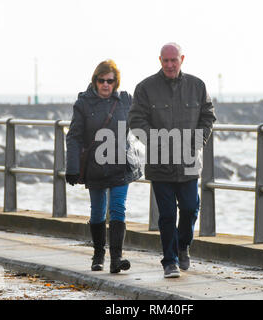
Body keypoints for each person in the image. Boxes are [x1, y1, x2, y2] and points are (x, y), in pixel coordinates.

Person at [128, 43, 216, 278]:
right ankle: (170, 262)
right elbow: (136, 121)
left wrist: (197, 143)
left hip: (188, 162)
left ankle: (183, 245)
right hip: (160, 164)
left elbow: (208, 116)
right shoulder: (145, 88)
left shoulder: (197, 86)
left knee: (189, 208)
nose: (169, 65)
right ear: (160, 60)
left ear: (182, 59)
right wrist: (159, 143)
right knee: (166, 215)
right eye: (165, 61)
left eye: (173, 60)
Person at [65, 59, 142, 273]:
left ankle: (116, 259)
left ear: (116, 82)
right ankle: (98, 254)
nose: (106, 85)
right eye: (102, 81)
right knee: (98, 212)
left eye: (110, 81)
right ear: (95, 81)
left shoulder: (126, 100)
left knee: (118, 208)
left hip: (120, 166)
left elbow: (144, 120)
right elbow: (73, 137)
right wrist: (71, 167)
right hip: (95, 167)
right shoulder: (83, 104)